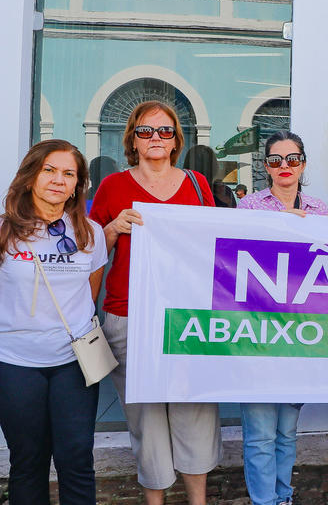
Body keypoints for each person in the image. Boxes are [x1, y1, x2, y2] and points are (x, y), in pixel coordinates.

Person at [89, 101, 221, 505]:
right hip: (129, 315)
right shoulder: (112, 187)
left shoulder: (197, 184)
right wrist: (112, 228)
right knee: (145, 418)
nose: (156, 139)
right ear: (132, 138)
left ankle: (197, 501)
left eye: (165, 132)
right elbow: (90, 251)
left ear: (176, 139)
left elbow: (217, 245)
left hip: (186, 317)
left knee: (193, 410)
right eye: (146, 131)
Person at [238, 130, 328, 505]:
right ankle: (263, 500)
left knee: (286, 430)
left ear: (303, 162)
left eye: (293, 159)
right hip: (258, 333)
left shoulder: (318, 208)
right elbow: (239, 258)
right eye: (275, 160)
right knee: (260, 433)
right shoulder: (248, 207)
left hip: (301, 336)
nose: (285, 166)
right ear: (265, 165)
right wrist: (282, 223)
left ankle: (283, 495)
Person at [0, 140, 108, 505]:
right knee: (28, 463)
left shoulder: (90, 235)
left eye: (69, 174)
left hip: (74, 364)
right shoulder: (3, 231)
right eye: (49, 170)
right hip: (15, 363)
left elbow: (87, 296)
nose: (58, 180)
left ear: (78, 185)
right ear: (30, 177)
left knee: (76, 459)